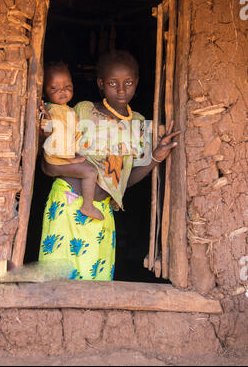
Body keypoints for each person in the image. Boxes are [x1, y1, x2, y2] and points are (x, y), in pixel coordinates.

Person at [38, 51, 180, 281]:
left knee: (95, 288)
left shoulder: (139, 124)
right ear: (101, 85)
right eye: (113, 83)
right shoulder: (83, 110)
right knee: (57, 284)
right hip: (67, 204)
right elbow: (51, 161)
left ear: (137, 83)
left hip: (101, 212)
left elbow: (124, 181)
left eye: (129, 83)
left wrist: (156, 157)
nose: (122, 90)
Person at [39, 61, 105, 221]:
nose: (62, 91)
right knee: (90, 172)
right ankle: (87, 206)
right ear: (44, 91)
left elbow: (73, 136)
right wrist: (72, 158)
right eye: (55, 88)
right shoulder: (50, 111)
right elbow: (49, 137)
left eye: (67, 87)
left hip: (63, 158)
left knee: (92, 167)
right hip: (56, 160)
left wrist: (77, 153)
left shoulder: (69, 111)